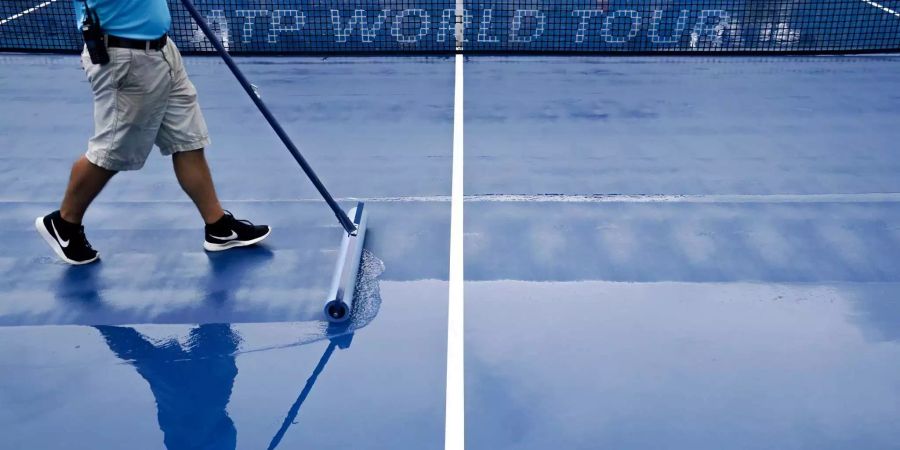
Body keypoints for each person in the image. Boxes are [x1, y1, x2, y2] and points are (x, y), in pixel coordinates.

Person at [35, 0, 270, 265]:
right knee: (111, 152)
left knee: (188, 139)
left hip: (162, 51)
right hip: (125, 59)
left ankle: (218, 228)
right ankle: (64, 223)